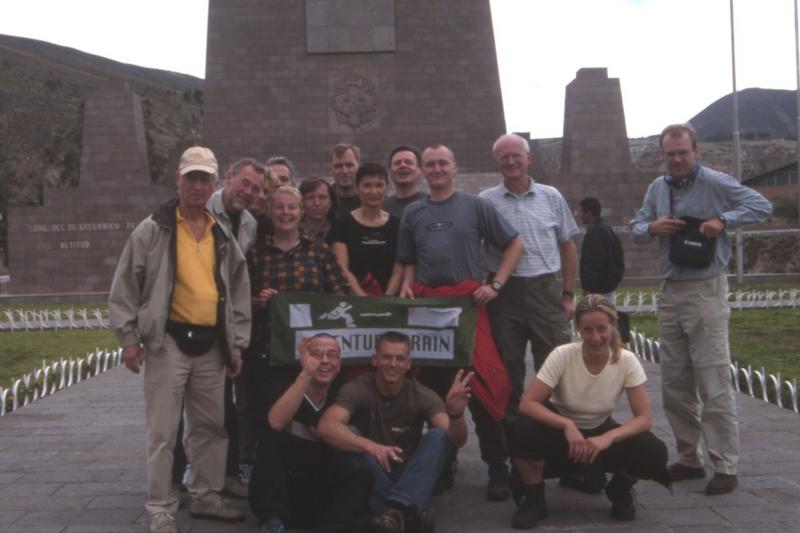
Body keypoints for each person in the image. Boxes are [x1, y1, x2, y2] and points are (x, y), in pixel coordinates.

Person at [108, 146, 251, 533]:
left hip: (212, 345)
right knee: (163, 430)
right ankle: (160, 506)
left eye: (204, 179)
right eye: (191, 178)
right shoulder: (153, 229)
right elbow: (125, 284)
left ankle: (205, 495)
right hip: (168, 341)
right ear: (179, 179)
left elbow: (238, 290)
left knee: (211, 427)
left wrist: (236, 343)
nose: (197, 186)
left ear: (214, 183)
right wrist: (128, 338)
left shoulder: (221, 233)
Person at [630, 123, 772, 495]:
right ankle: (689, 458)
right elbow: (635, 227)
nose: (677, 159)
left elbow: (761, 205)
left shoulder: (716, 182)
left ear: (696, 152)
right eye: (670, 154)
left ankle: (725, 465)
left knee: (713, 380)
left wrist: (722, 220)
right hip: (670, 290)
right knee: (675, 383)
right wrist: (653, 227)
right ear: (662, 155)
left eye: (683, 152)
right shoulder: (657, 188)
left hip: (706, 289)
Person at [397, 143, 523, 502]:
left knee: (482, 388)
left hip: (468, 309)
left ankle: (497, 467)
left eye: (442, 163)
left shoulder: (475, 206)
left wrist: (495, 285)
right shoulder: (413, 213)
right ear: (422, 170)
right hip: (430, 313)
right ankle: (442, 462)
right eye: (430, 164)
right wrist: (406, 283)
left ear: (454, 167)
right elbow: (408, 259)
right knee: (434, 392)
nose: (436, 169)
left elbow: (515, 243)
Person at [507, 295, 670, 529]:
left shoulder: (626, 360)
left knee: (653, 450)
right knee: (520, 427)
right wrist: (566, 424)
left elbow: (644, 419)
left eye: (602, 329)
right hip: (560, 437)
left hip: (599, 434)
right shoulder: (563, 355)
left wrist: (608, 437)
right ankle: (534, 498)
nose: (595, 338)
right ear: (578, 330)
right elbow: (527, 403)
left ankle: (620, 489)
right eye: (587, 330)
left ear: (613, 326)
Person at [318, 331, 473, 533]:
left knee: (439, 436)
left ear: (408, 364)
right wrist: (371, 447)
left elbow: (457, 440)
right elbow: (326, 426)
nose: (393, 364)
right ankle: (408, 512)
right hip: (371, 466)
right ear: (375, 360)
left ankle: (392, 512)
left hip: (408, 470)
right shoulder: (357, 388)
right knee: (346, 432)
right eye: (387, 357)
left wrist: (455, 414)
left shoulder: (422, 393)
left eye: (400, 359)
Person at [245, 186, 347, 434]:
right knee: (267, 415)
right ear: (269, 212)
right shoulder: (256, 253)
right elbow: (240, 299)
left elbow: (340, 295)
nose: (285, 212)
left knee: (311, 418)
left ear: (301, 212)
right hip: (268, 350)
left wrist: (317, 304)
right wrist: (258, 300)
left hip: (312, 352)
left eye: (291, 207)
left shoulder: (319, 250)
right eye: (279, 207)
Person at [249, 334, 373, 533]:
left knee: (361, 469)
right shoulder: (286, 389)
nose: (324, 360)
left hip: (318, 492)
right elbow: (276, 422)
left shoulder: (341, 398)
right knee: (270, 439)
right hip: (285, 489)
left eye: (331, 355)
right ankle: (273, 521)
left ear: (339, 365)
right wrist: (306, 374)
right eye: (316, 354)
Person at [328, 162, 402, 296]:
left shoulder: (397, 225)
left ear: (387, 187)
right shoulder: (342, 224)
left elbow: (398, 270)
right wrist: (364, 300)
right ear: (357, 188)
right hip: (355, 301)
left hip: (389, 301)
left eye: (379, 185)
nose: (374, 191)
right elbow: (342, 268)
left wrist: (387, 299)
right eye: (367, 185)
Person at [206, 157, 268, 253]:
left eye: (255, 189)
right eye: (245, 183)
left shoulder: (251, 225)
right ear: (229, 177)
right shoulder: (205, 208)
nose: (248, 192)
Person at [577, 197, 625, 303]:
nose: (578, 215)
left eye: (580, 211)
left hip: (598, 290)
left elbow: (592, 262)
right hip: (609, 287)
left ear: (589, 213)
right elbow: (619, 256)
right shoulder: (608, 230)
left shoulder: (594, 232)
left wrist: (588, 287)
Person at [383, 145, 426, 218]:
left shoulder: (431, 205)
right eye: (397, 163)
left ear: (420, 170)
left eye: (408, 162)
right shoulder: (381, 209)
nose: (402, 165)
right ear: (390, 171)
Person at [329, 143, 361, 214]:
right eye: (338, 166)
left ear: (358, 166)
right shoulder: (324, 202)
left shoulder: (369, 199)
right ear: (331, 169)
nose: (344, 171)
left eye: (349, 165)